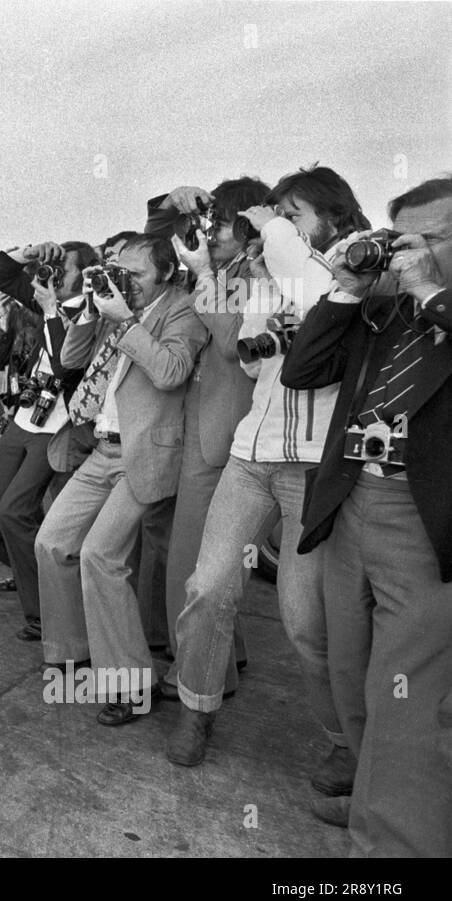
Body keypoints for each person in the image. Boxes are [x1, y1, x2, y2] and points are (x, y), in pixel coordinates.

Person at [165, 166, 366, 787]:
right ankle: (198, 708)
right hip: (253, 452)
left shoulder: (353, 273)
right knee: (208, 585)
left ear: (333, 217)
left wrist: (276, 244)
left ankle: (343, 739)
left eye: (293, 214)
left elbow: (317, 305)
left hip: (312, 465)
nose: (278, 224)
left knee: (304, 618)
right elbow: (251, 363)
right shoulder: (273, 277)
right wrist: (263, 307)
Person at [280, 175, 452, 857]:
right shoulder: (380, 308)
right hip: (351, 496)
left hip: (421, 513)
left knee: (408, 687)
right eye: (403, 236)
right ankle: (370, 784)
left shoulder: (432, 304)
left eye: (433, 234)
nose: (413, 250)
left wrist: (433, 293)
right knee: (349, 663)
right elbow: (303, 369)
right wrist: (350, 287)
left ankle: (391, 836)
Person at [34, 234, 205, 723]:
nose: (124, 282)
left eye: (136, 275)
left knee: (100, 555)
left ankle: (130, 684)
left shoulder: (183, 309)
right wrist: (92, 309)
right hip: (101, 449)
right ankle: (74, 650)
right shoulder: (115, 306)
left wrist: (125, 320)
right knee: (52, 543)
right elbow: (70, 360)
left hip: (144, 454)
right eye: (117, 272)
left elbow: (171, 371)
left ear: (168, 273)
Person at [146, 177, 271, 698]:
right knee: (205, 565)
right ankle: (227, 657)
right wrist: (167, 204)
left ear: (247, 229)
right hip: (198, 426)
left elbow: (231, 346)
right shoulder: (223, 269)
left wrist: (203, 276)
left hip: (222, 433)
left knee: (190, 562)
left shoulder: (256, 275)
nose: (209, 233)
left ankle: (193, 672)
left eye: (219, 223)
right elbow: (153, 243)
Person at [0, 241, 94, 641]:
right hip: (26, 418)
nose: (55, 274)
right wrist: (27, 255)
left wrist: (49, 311)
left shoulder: (93, 312)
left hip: (59, 427)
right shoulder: (51, 300)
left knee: (15, 512)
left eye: (64, 267)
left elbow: (66, 364)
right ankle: (25, 570)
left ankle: (44, 611)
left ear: (85, 275)